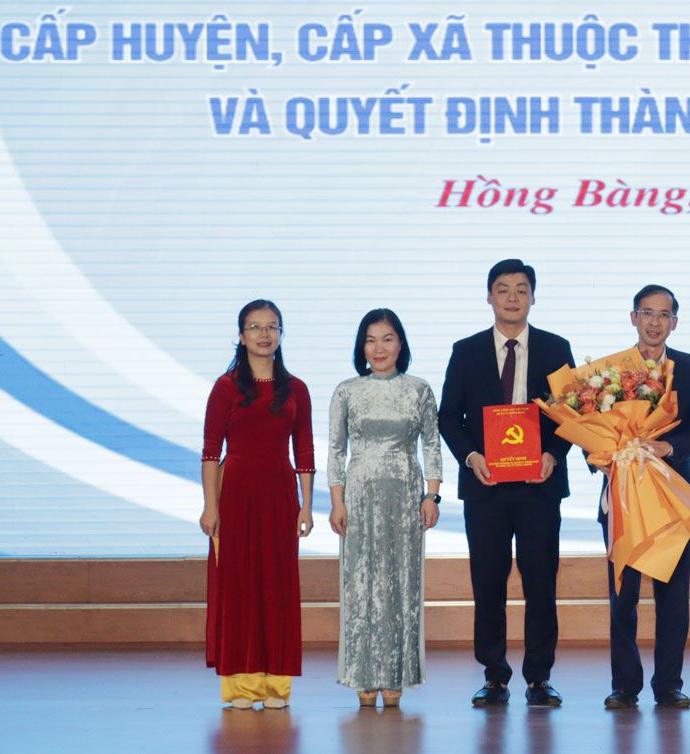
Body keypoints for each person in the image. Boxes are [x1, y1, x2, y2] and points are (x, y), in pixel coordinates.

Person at [437, 259, 574, 708]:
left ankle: (539, 677)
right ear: (489, 296)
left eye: (521, 289)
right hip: (486, 486)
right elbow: (448, 418)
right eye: (503, 289)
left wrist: (554, 455)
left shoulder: (557, 348)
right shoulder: (467, 350)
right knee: (489, 584)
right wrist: (471, 456)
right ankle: (494, 676)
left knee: (541, 585)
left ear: (533, 297)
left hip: (539, 485)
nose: (512, 297)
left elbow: (571, 415)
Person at [598, 285, 690, 710]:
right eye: (647, 313)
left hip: (671, 497)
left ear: (674, 322)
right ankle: (625, 685)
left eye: (664, 315)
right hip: (623, 498)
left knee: (673, 597)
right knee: (622, 597)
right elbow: (588, 429)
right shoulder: (607, 373)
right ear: (633, 317)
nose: (654, 322)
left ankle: (668, 684)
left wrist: (670, 447)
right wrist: (605, 458)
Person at [200, 299, 315, 710]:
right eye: (255, 327)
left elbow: (304, 451)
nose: (264, 335)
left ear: (281, 334)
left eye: (272, 327)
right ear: (241, 335)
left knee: (277, 585)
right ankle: (241, 686)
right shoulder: (226, 387)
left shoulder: (296, 389)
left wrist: (306, 506)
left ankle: (275, 684)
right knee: (239, 586)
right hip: (234, 495)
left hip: (279, 494)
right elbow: (211, 452)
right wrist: (209, 507)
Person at [327, 308, 442, 708]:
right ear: (362, 347)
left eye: (388, 338)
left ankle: (397, 674)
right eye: (371, 340)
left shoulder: (419, 390)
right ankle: (363, 673)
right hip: (358, 497)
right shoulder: (347, 391)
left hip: (407, 497)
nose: (379, 348)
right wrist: (337, 502)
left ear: (401, 344)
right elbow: (336, 450)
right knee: (360, 585)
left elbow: (431, 445)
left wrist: (433, 495)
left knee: (401, 583)